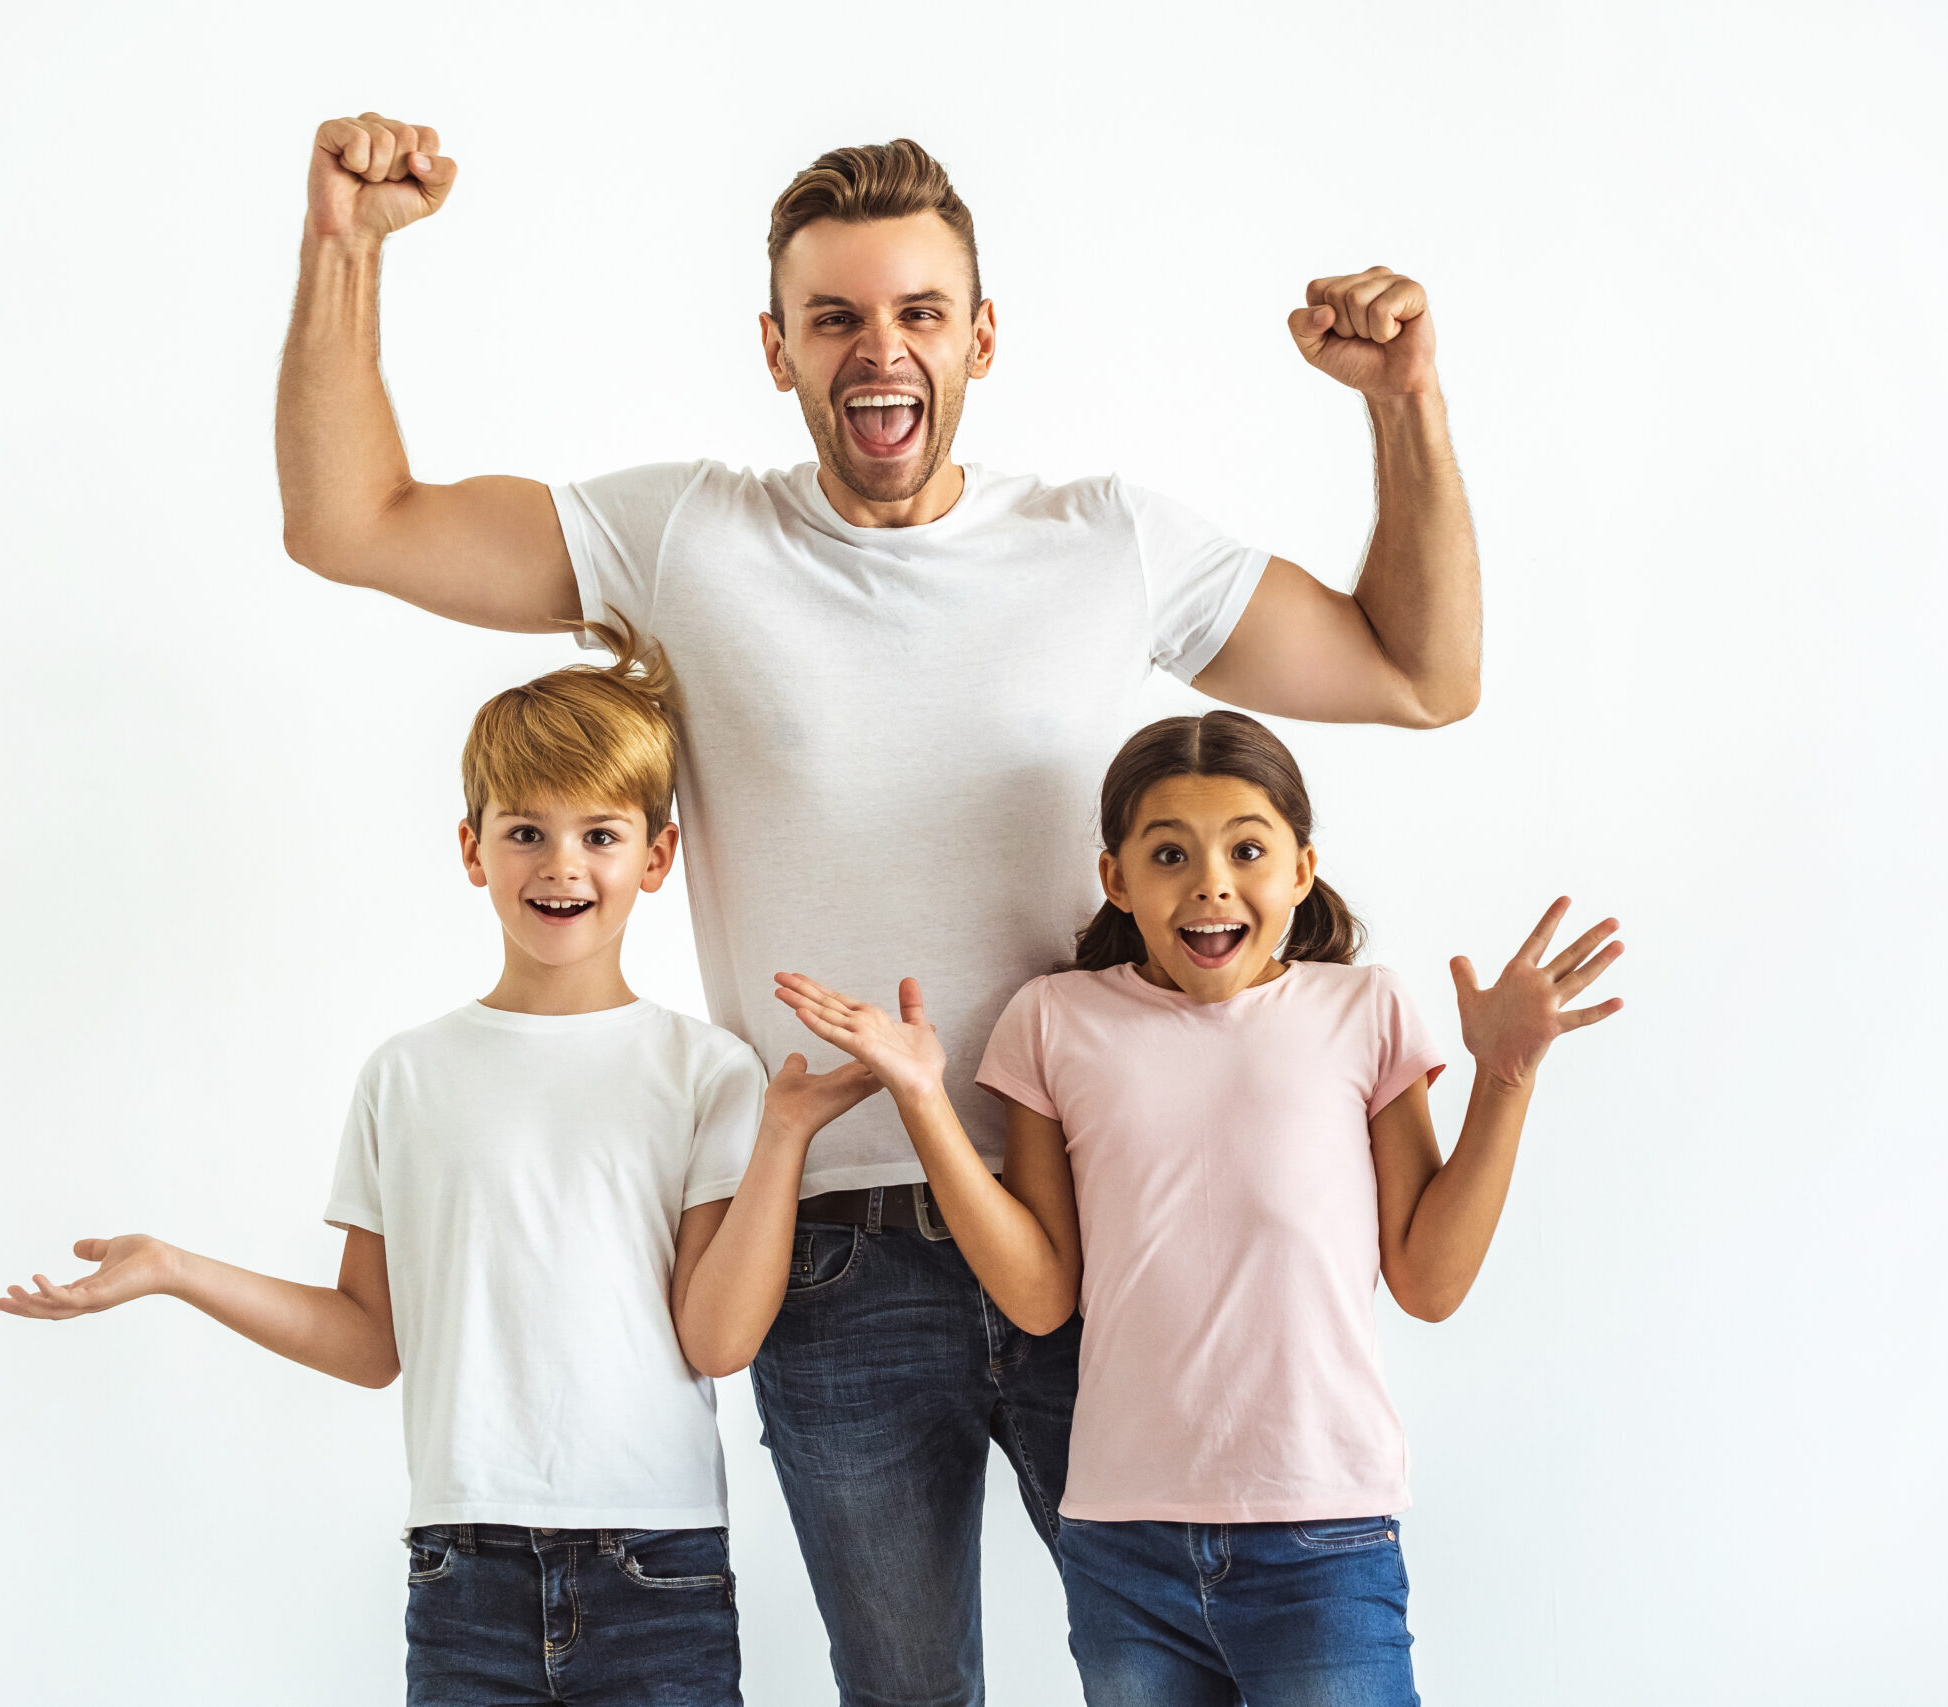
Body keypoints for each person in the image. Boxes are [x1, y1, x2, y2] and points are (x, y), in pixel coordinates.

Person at [277, 116, 1484, 1705]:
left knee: (1207, 1667)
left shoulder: (1104, 540)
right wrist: (345, 246)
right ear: (776, 350)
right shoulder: (686, 535)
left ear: (980, 337)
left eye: (919, 311)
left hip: (1093, 1225)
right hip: (835, 1250)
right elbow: (348, 520)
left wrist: (1405, 407)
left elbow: (1419, 671)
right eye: (835, 317)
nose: (880, 348)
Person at [0, 636, 880, 1707]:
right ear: (472, 850)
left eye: (599, 834)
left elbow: (718, 1340)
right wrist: (178, 1268)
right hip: (462, 1575)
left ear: (656, 855)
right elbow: (372, 1343)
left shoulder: (707, 1070)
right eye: (526, 832)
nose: (561, 864)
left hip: (657, 1565)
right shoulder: (405, 1075)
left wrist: (783, 1140)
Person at [773, 709, 1624, 1705]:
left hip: (1323, 1532)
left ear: (1301, 871)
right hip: (1121, 1547)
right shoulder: (1055, 1021)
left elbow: (1429, 1281)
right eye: (1169, 853)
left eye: (1246, 849)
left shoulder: (1365, 1012)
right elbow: (1041, 1296)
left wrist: (1506, 1078)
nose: (1211, 882)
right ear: (1116, 880)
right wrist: (922, 1099)